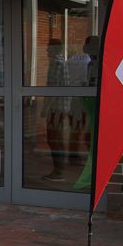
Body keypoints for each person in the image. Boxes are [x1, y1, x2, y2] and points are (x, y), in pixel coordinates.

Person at [43, 39, 71, 182]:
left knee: (54, 139)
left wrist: (45, 109)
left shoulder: (56, 64)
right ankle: (59, 169)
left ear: (55, 49)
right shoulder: (63, 63)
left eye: (49, 48)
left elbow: (52, 89)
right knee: (57, 138)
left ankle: (58, 171)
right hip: (62, 107)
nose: (46, 50)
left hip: (56, 109)